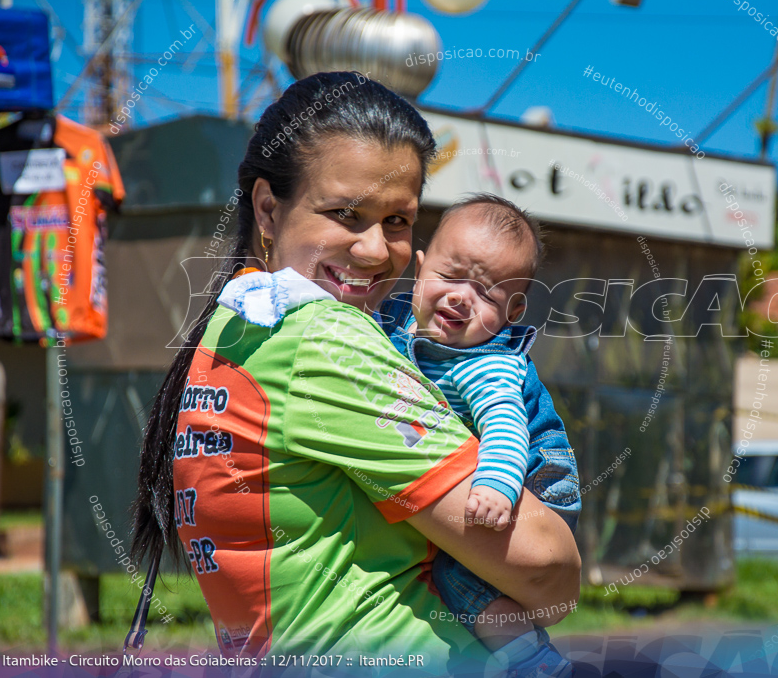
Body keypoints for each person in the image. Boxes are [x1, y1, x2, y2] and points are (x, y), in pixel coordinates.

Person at [129, 71, 580, 675]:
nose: (374, 251)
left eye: (398, 221)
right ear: (268, 209)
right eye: (345, 213)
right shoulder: (325, 339)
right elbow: (547, 569)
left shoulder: (231, 326)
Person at [375, 194, 580, 675]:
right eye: (449, 276)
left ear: (513, 311)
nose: (461, 297)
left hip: (530, 481)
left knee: (459, 574)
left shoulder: (484, 364)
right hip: (497, 470)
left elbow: (505, 425)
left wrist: (495, 487)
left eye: (487, 294)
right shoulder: (400, 327)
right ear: (420, 269)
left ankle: (533, 658)